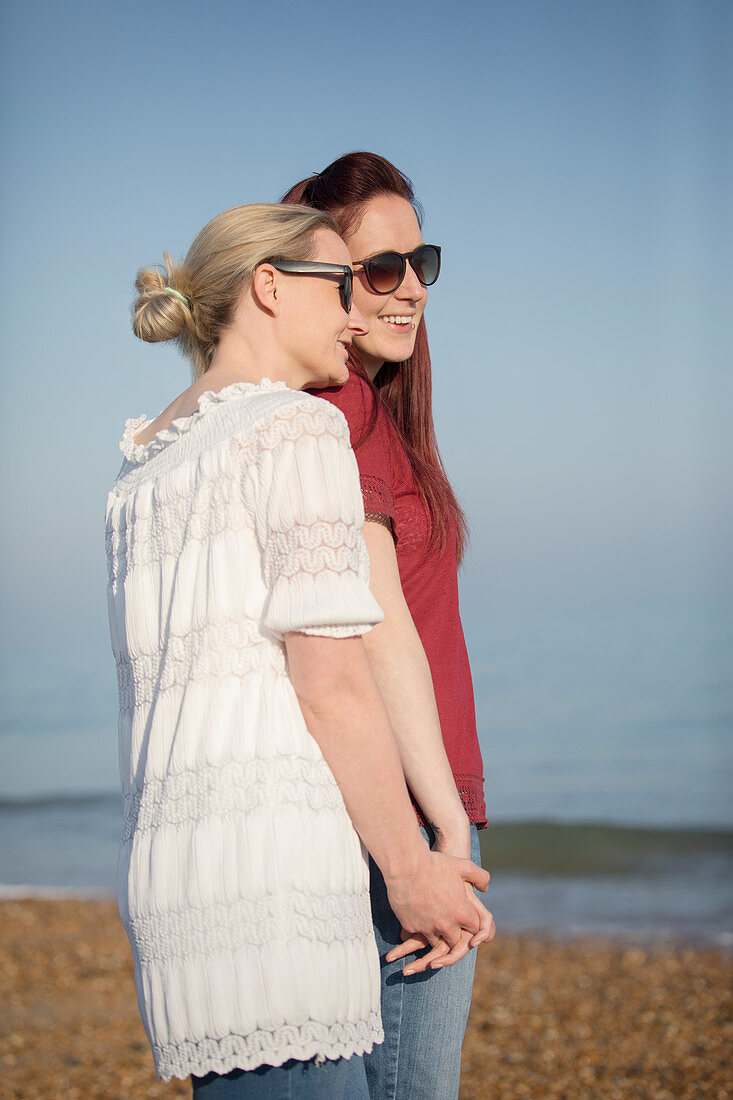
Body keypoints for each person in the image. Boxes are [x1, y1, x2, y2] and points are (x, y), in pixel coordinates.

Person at [105, 202, 493, 1099]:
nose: (354, 317)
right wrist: (412, 868)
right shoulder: (295, 430)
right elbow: (333, 684)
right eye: (337, 287)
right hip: (279, 887)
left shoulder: (146, 462)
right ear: (269, 288)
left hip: (178, 890)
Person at [281, 154, 490, 1100]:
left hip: (395, 806)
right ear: (325, 278)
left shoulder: (365, 415)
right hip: (403, 811)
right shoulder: (342, 408)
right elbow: (374, 628)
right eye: (380, 269)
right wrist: (444, 828)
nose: (409, 289)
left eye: (419, 262)